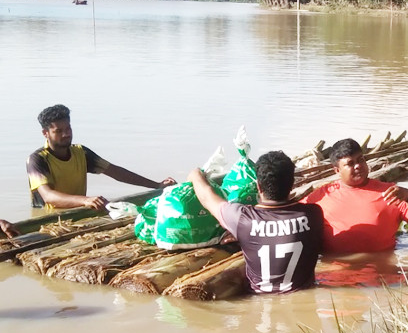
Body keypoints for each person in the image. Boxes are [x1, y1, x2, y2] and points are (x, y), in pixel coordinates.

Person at [189, 151, 323, 294]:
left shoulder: (243, 219)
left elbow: (206, 198)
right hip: (302, 295)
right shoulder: (313, 214)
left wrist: (196, 175)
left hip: (259, 299)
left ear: (258, 186)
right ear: (292, 184)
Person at [27, 104, 175, 210]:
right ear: (45, 133)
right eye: (59, 131)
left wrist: (157, 185)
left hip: (78, 209)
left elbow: (116, 172)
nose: (66, 134)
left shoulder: (80, 153)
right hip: (49, 218)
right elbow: (49, 197)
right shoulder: (38, 160)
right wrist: (85, 200)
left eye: (68, 128)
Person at [301, 139, 408, 254]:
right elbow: (291, 215)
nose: (358, 166)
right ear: (337, 170)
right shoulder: (321, 196)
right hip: (337, 272)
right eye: (350, 163)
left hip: (382, 273)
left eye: (361, 160)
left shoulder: (389, 192)